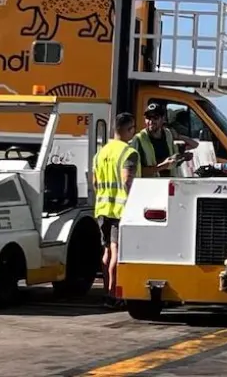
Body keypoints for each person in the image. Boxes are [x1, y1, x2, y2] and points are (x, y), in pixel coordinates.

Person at [92, 112, 139, 308]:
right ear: (128, 130)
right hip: (121, 210)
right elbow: (127, 181)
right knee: (117, 253)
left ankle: (106, 291)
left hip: (102, 208)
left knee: (106, 253)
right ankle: (115, 294)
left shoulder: (100, 153)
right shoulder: (129, 153)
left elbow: (94, 182)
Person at [131, 103, 198, 177]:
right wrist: (162, 166)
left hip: (168, 183)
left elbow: (172, 160)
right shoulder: (138, 139)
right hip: (149, 186)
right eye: (148, 118)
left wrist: (182, 157)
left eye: (155, 117)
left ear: (163, 119)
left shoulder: (168, 135)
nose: (151, 121)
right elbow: (135, 172)